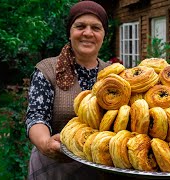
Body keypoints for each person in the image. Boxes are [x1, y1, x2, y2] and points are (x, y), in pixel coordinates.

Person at [25, 1, 112, 179]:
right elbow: (36, 117)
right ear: (70, 32)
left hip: (100, 170)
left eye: (96, 27)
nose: (88, 33)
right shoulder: (47, 70)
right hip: (55, 169)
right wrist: (46, 143)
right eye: (80, 26)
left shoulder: (113, 75)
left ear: (104, 35)